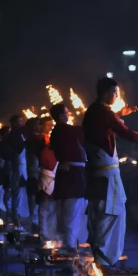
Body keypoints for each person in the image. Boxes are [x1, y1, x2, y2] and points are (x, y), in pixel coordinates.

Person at [81, 77, 138, 268]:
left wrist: (119, 113)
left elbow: (107, 123)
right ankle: (105, 260)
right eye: (115, 93)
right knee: (110, 214)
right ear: (106, 93)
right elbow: (128, 134)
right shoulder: (104, 113)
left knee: (103, 214)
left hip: (99, 174)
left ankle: (103, 258)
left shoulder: (94, 111)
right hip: (106, 175)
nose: (117, 96)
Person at [49, 103, 88, 248]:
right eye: (66, 112)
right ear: (61, 116)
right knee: (72, 215)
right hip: (72, 179)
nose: (68, 114)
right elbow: (84, 130)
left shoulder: (59, 131)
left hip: (70, 176)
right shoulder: (63, 130)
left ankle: (70, 246)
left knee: (70, 214)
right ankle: (70, 249)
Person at [25, 117, 49, 232]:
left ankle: (36, 223)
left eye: (39, 124)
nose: (39, 127)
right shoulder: (34, 139)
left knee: (35, 198)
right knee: (34, 198)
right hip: (33, 171)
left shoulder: (36, 138)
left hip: (36, 171)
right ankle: (35, 224)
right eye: (36, 125)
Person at [6, 114, 30, 223]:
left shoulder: (20, 133)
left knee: (21, 195)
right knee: (17, 194)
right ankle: (15, 216)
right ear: (14, 123)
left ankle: (20, 215)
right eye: (20, 121)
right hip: (18, 167)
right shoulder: (13, 135)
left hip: (23, 168)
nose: (22, 123)